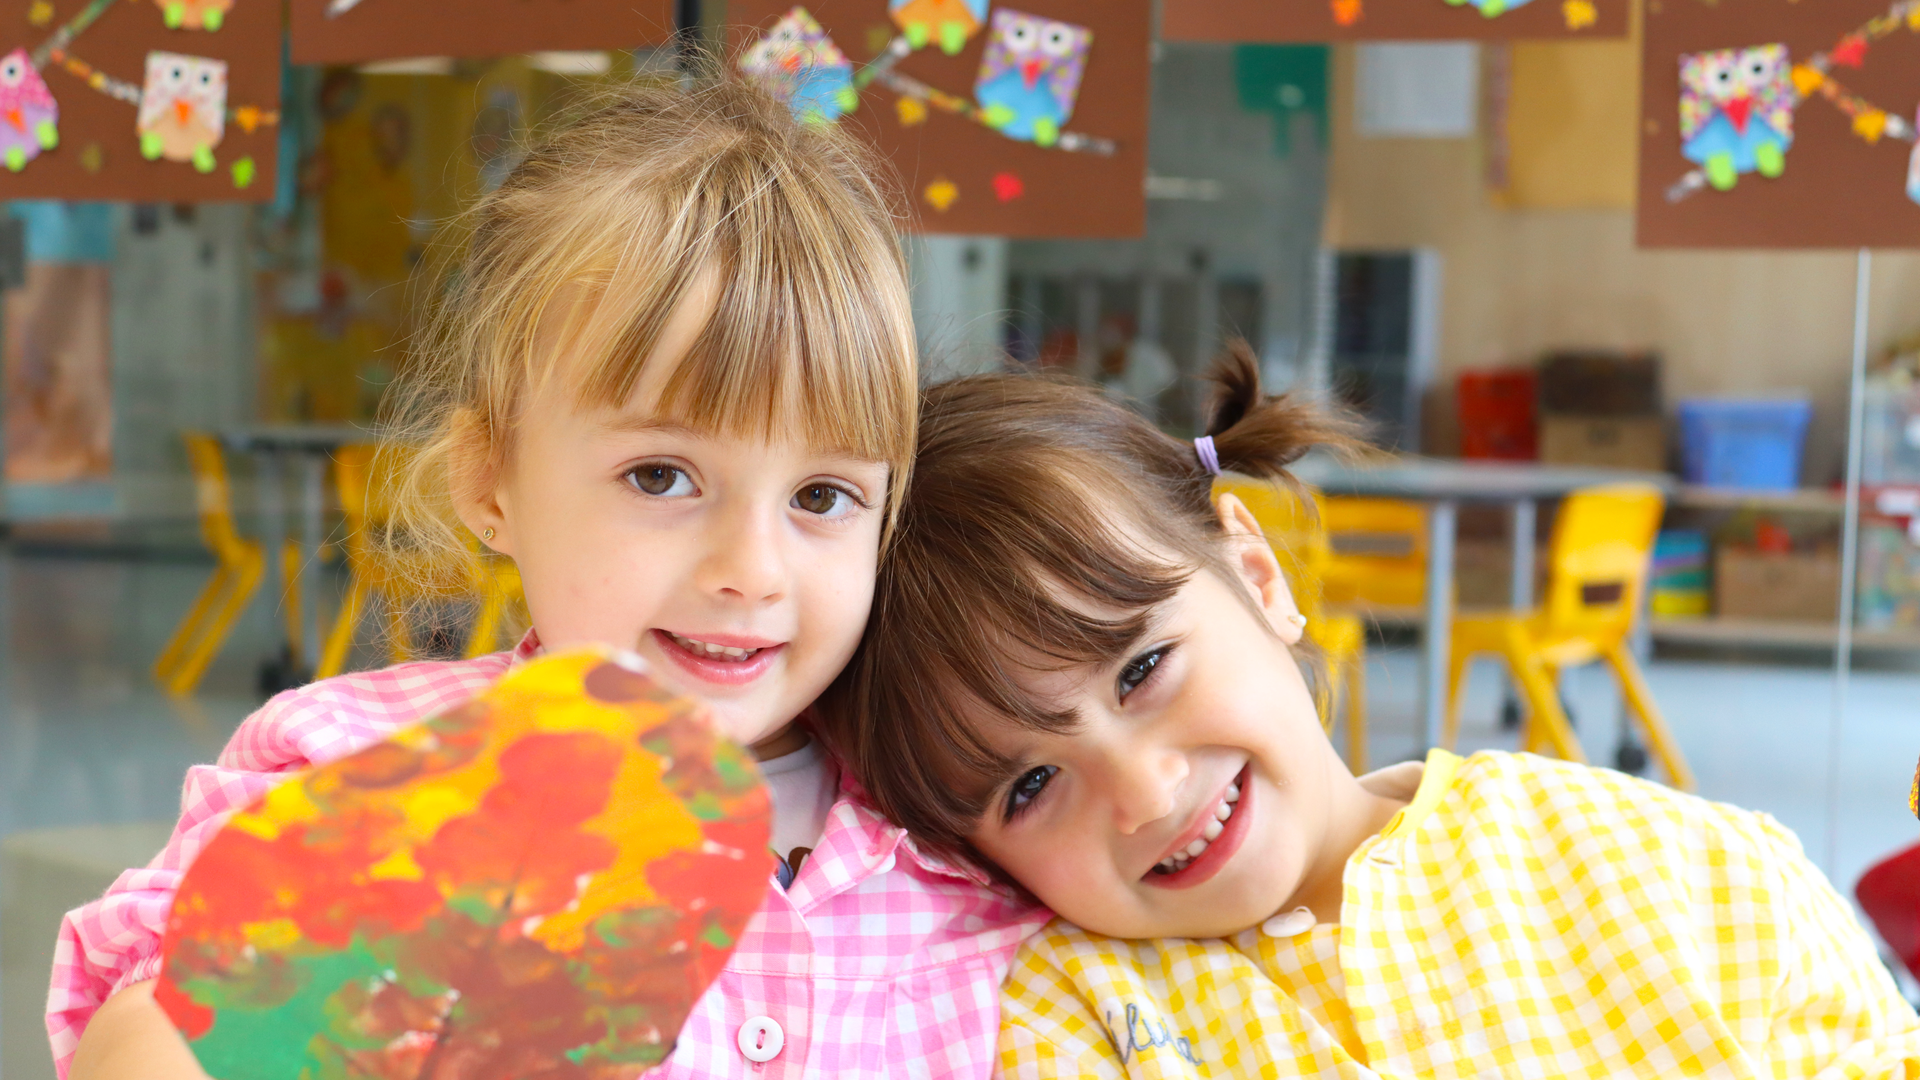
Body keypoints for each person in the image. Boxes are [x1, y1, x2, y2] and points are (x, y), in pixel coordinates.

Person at [51, 78, 1044, 1080]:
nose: (752, 569)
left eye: (823, 497)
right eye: (661, 476)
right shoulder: (373, 769)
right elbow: (155, 1041)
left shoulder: (969, 811)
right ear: (489, 480)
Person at [818, 341, 1920, 1077]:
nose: (1145, 790)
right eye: (1031, 784)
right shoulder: (1072, 1019)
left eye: (1142, 669)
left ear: (1257, 575)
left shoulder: (1686, 874)